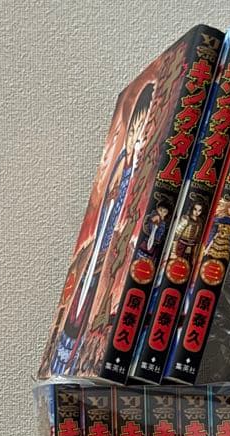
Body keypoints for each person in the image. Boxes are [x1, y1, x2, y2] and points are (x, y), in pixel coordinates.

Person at [54, 81, 156, 373]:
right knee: (84, 296)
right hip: (103, 241)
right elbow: (109, 202)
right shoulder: (123, 164)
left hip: (115, 243)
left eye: (142, 133)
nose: (137, 140)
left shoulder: (137, 169)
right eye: (135, 131)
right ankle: (68, 351)